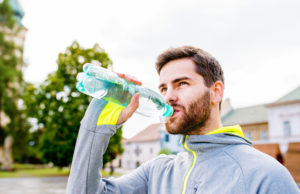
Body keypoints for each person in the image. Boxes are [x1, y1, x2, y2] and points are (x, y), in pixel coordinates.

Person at [66, 46, 299, 194]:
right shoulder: (157, 172)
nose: (168, 97)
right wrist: (95, 127)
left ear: (216, 92)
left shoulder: (266, 175)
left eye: (182, 84)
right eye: (163, 88)